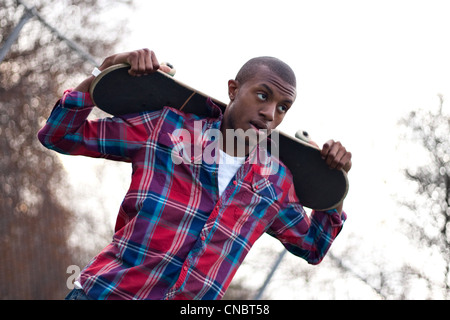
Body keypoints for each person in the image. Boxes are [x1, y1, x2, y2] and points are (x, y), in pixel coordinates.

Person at [38, 48, 352, 300]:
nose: (270, 114)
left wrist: (334, 186)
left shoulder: (274, 183)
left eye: (283, 107)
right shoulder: (167, 128)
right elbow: (58, 135)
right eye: (262, 95)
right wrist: (104, 69)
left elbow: (313, 247)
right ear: (233, 90)